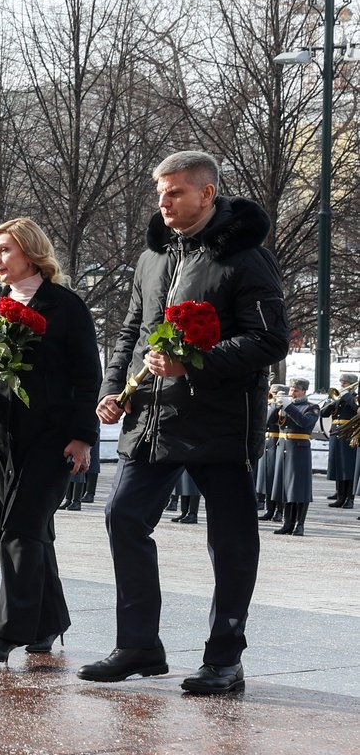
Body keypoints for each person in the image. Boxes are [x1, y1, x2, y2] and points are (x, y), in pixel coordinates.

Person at [88, 151, 286, 696]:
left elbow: (269, 340)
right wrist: (112, 390)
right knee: (124, 517)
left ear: (207, 193)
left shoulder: (247, 258)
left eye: (175, 192)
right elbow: (131, 332)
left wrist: (193, 363)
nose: (164, 202)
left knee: (231, 541)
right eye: (160, 192)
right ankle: (138, 646)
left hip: (220, 424)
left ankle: (224, 658)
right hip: (152, 419)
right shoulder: (152, 257)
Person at [0, 219, 99, 661]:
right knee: (25, 530)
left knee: (21, 527)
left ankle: (8, 632)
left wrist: (83, 437)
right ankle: (49, 620)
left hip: (51, 438)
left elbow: (87, 376)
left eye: (5, 250)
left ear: (31, 253)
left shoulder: (66, 306)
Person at [267, 379, 316, 536]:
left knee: (299, 488)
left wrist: (289, 407)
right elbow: (267, 422)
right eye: (291, 390)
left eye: (295, 390)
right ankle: (287, 524)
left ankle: (299, 525)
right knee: (285, 488)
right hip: (283, 449)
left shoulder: (311, 407)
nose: (292, 393)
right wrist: (275, 406)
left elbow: (304, 423)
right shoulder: (285, 406)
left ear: (304, 392)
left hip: (299, 451)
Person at [319, 374, 356, 509]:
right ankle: (340, 497)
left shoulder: (355, 397)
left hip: (349, 433)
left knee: (349, 466)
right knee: (338, 465)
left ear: (352, 385)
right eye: (341, 382)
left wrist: (347, 396)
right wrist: (331, 402)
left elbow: (357, 408)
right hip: (336, 432)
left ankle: (349, 498)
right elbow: (323, 414)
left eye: (345, 383)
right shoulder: (337, 397)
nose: (342, 385)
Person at [255, 384, 286, 518]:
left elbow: (270, 420)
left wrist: (279, 405)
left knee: (277, 479)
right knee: (267, 478)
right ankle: (269, 510)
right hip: (266, 442)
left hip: (277, 442)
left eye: (276, 393)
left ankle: (279, 511)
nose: (272, 396)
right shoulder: (267, 405)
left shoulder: (284, 407)